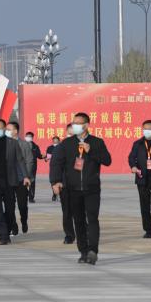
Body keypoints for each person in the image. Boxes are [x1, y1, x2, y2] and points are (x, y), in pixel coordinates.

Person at [50, 112, 112, 265]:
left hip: (92, 188)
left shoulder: (97, 142)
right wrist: (56, 181)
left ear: (86, 125)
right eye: (74, 123)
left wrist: (92, 151)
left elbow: (107, 160)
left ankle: (93, 251)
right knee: (78, 221)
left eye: (78, 123)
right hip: (72, 188)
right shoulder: (67, 143)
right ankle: (83, 252)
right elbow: (57, 163)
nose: (75, 125)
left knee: (92, 219)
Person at [6, 121, 33, 235]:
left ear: (16, 131)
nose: (6, 131)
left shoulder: (24, 144)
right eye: (6, 129)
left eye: (9, 129)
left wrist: (27, 176)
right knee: (9, 205)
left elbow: (29, 161)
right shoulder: (4, 144)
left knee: (22, 205)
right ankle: (13, 226)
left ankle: (24, 221)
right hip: (8, 180)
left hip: (22, 179)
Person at [24, 131, 43, 203]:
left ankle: (31, 197)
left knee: (32, 182)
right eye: (27, 136)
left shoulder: (35, 146)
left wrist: (43, 156)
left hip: (32, 167)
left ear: (32, 137)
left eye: (30, 136)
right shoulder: (21, 144)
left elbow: (39, 156)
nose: (28, 137)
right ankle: (23, 196)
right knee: (23, 182)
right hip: (23, 166)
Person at [45, 137, 60, 202]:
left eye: (57, 140)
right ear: (52, 141)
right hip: (53, 166)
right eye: (54, 140)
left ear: (59, 141)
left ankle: (60, 194)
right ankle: (54, 193)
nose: (55, 141)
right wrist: (46, 158)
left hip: (61, 165)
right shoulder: (50, 148)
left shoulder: (62, 147)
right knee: (53, 180)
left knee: (60, 180)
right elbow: (47, 157)